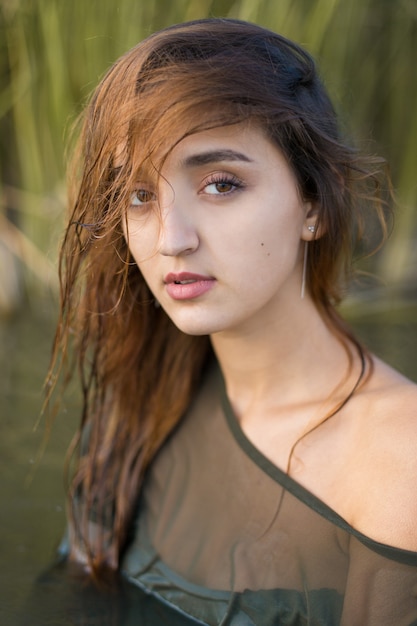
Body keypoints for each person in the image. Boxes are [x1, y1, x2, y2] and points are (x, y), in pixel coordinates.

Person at [49, 17, 417, 625]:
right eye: (140, 195)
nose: (172, 238)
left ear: (314, 206)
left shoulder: (397, 462)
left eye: (221, 184)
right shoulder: (141, 394)